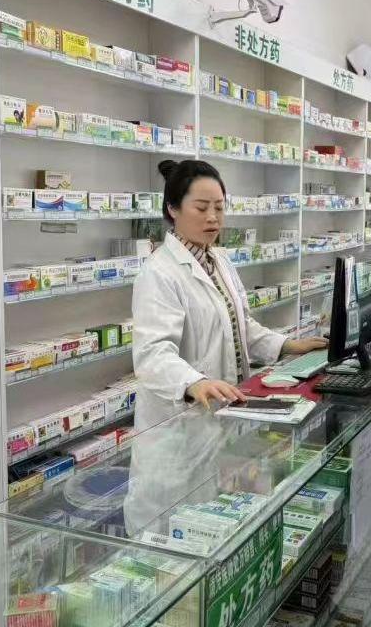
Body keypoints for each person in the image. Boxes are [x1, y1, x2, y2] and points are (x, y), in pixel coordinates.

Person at [131, 159, 325, 429]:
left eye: (219, 207)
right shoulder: (158, 272)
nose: (213, 216)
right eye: (201, 208)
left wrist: (288, 345)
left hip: (227, 407)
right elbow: (152, 354)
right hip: (180, 424)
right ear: (172, 208)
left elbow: (239, 325)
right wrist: (194, 382)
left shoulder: (219, 259)